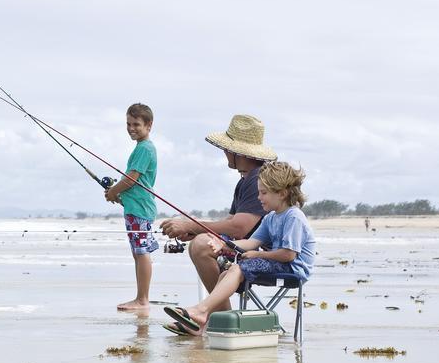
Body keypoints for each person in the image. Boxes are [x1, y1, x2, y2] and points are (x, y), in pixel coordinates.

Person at [163, 161, 315, 336]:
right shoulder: (270, 218)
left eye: (263, 193)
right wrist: (224, 245)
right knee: (226, 273)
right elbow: (251, 242)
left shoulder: (293, 217)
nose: (259, 197)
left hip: (293, 270)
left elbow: (289, 255)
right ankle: (210, 319)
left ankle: (201, 311)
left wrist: (258, 255)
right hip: (277, 263)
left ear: (282, 193)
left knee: (237, 268)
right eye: (259, 192)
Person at [160, 114, 276, 313]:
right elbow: (230, 221)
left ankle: (217, 316)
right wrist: (195, 230)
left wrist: (191, 225)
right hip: (248, 247)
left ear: (237, 152)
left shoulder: (257, 178)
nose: (224, 152)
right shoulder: (246, 180)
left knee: (201, 246)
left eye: (226, 148)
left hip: (265, 254)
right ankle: (215, 315)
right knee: (201, 240)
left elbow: (239, 228)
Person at [105, 103, 158, 311]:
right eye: (128, 123)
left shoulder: (145, 148)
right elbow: (132, 183)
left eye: (136, 124)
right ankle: (140, 297)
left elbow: (131, 179)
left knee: (141, 251)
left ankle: (142, 299)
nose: (131, 128)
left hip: (140, 209)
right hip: (134, 206)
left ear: (149, 125)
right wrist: (117, 195)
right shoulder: (141, 148)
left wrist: (114, 191)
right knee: (138, 252)